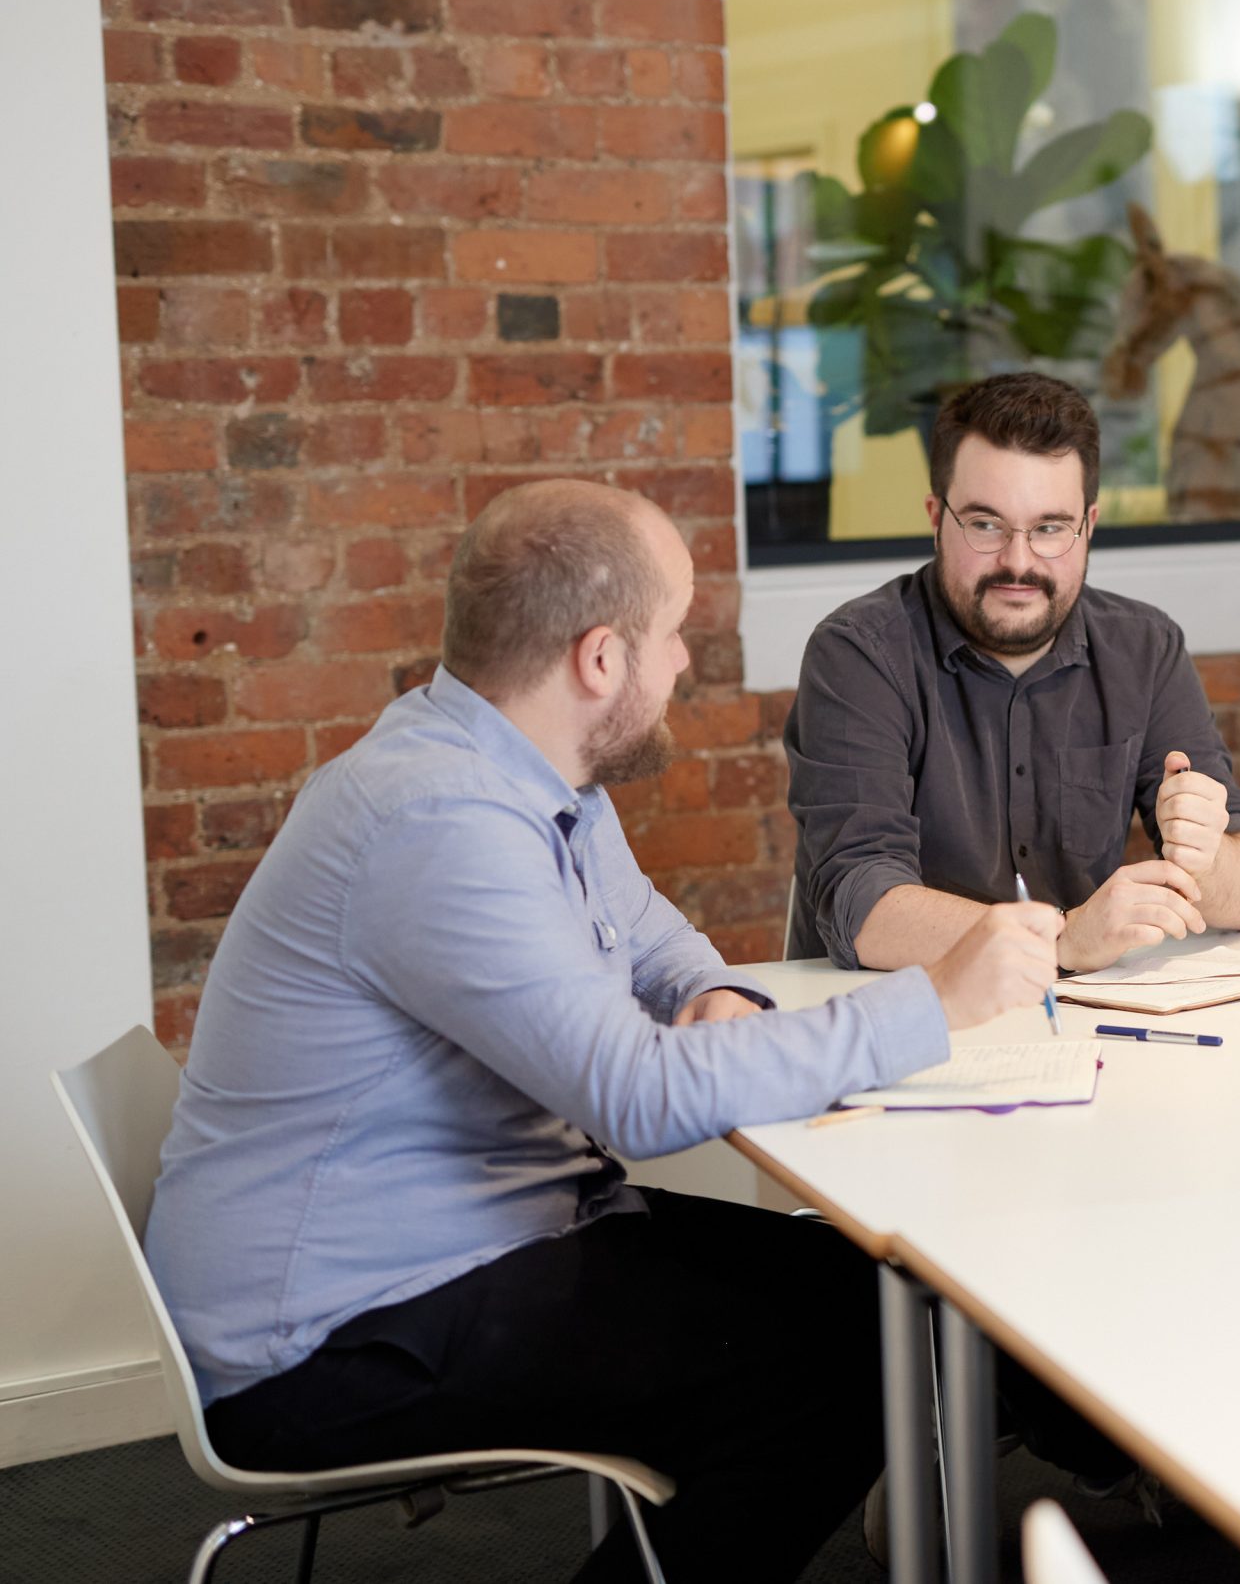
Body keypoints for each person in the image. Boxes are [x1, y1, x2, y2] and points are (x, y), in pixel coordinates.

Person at [145, 479, 1061, 1583]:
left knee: (880, 1293)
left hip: (487, 1239)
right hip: (334, 1339)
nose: (682, 664)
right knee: (848, 1366)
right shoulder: (441, 822)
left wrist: (711, 998)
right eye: (671, 635)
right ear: (598, 659)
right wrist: (939, 1002)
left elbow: (654, 938)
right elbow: (638, 1100)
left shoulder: (523, 772)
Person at [785, 370, 1240, 972]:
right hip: (899, 1015)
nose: (1018, 562)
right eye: (986, 524)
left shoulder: (1145, 648)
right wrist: (1062, 940)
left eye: (1049, 528)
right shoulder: (859, 653)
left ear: (1088, 527)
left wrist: (1211, 859)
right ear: (936, 517)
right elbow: (861, 905)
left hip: (1080, 1021)